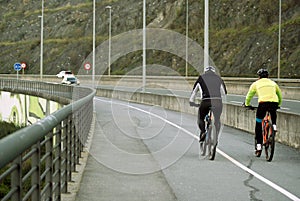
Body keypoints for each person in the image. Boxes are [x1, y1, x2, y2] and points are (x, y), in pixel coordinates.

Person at [243, 68, 282, 157]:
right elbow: (279, 95)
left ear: (259, 77)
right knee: (273, 111)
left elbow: (249, 95)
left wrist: (247, 104)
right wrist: (279, 104)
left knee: (258, 123)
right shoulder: (273, 83)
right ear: (268, 76)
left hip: (263, 104)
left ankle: (259, 146)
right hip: (274, 103)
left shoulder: (256, 84)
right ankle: (274, 125)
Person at [189, 66, 227, 142]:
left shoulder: (201, 78)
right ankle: (216, 135)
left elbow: (194, 92)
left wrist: (191, 101)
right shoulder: (218, 78)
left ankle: (203, 132)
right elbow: (224, 93)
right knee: (217, 119)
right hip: (217, 101)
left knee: (201, 118)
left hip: (206, 101)